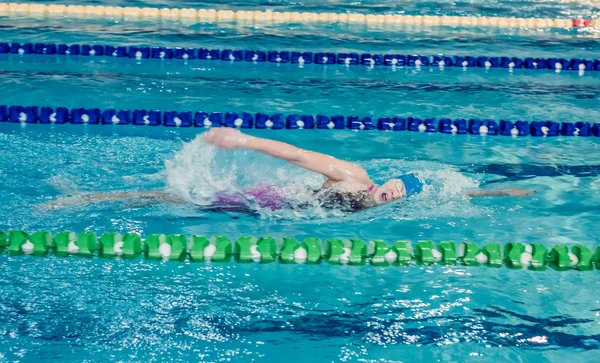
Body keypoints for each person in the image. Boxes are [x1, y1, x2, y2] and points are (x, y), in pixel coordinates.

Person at [44, 127, 535, 212]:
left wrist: (500, 196)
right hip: (272, 200)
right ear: (386, 181)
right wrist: (242, 141)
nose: (391, 194)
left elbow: (450, 197)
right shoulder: (354, 175)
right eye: (393, 187)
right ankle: (85, 199)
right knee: (176, 200)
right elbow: (299, 157)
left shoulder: (389, 204)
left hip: (288, 211)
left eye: (399, 195)